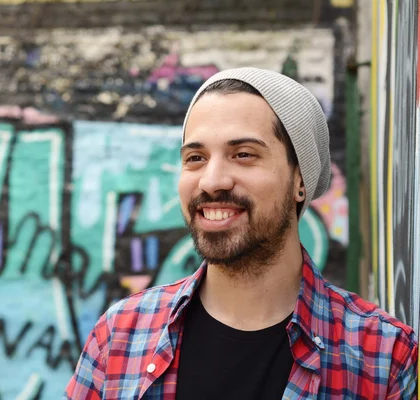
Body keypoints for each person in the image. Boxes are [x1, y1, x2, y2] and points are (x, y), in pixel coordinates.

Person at [64, 68, 418, 399]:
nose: (213, 180)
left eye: (243, 154)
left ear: (300, 180)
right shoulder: (120, 335)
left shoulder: (384, 357)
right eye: (195, 158)